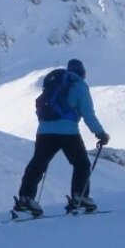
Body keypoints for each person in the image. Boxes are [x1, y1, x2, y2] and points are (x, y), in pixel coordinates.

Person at [13, 58, 110, 215]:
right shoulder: (80, 87)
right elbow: (88, 114)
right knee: (81, 164)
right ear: (83, 74)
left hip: (44, 132)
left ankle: (26, 199)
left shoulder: (53, 84)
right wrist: (100, 133)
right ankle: (80, 197)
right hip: (68, 132)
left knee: (38, 164)